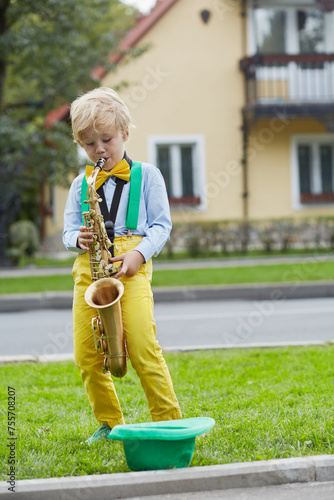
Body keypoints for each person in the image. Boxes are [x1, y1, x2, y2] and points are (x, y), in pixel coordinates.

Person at [63, 87, 182, 445]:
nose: (99, 150)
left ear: (126, 133)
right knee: (86, 355)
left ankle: (168, 421)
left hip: (131, 268)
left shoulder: (149, 175)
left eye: (106, 139)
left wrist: (138, 254)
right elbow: (68, 230)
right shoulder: (79, 185)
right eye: (89, 144)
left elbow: (162, 225)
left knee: (144, 347)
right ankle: (109, 422)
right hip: (91, 272)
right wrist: (76, 239)